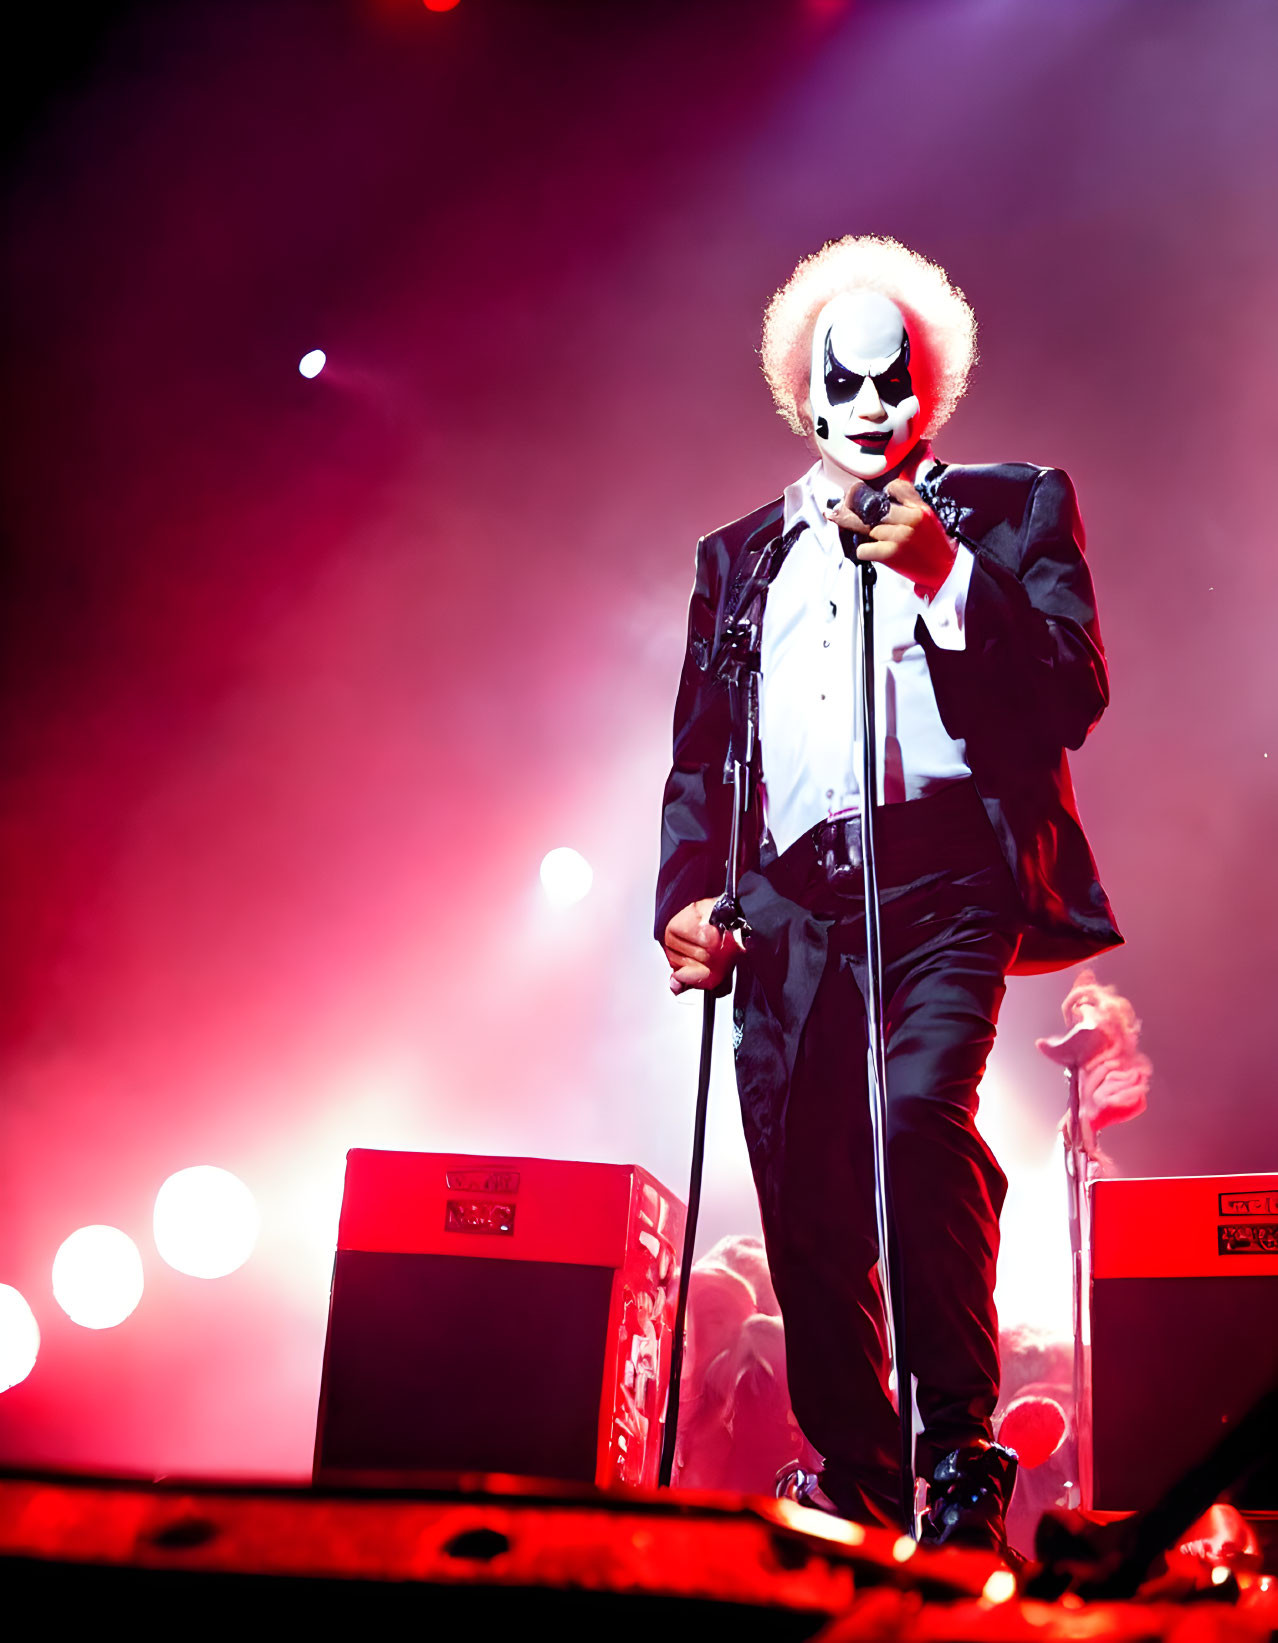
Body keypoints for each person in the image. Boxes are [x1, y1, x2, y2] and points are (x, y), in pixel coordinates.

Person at [655, 235, 1121, 1552]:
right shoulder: (738, 558)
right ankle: (855, 1469)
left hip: (947, 871)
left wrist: (941, 574)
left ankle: (959, 1450)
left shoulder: (1010, 506)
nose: (866, 406)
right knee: (803, 1191)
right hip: (788, 900)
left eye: (891, 380)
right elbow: (699, 750)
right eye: (841, 383)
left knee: (919, 1119)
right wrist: (687, 896)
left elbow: (1070, 692)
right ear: (799, 393)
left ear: (930, 390)